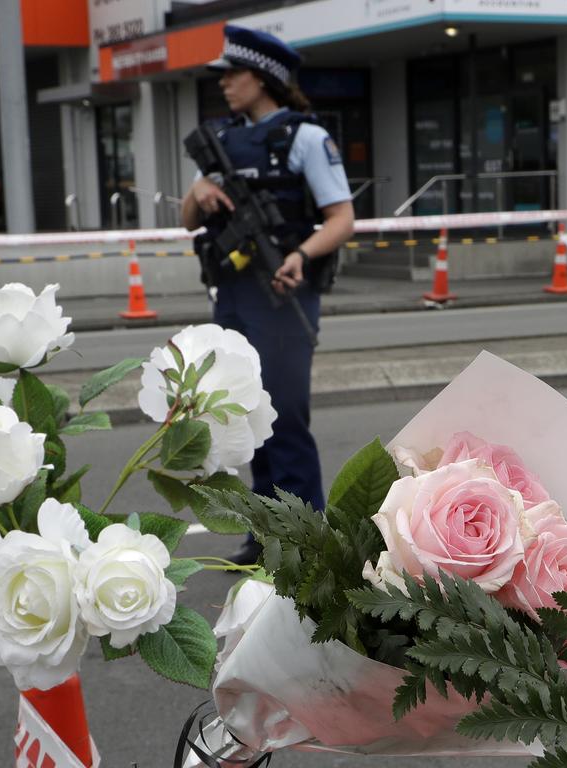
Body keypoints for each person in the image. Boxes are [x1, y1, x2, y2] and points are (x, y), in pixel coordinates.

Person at [180, 25, 355, 565]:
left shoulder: (304, 138)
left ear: (262, 79)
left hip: (282, 293)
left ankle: (307, 537)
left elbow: (343, 218)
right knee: (245, 416)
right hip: (232, 292)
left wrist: (301, 254)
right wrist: (198, 191)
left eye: (232, 74)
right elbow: (187, 221)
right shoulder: (222, 141)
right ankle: (264, 533)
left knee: (284, 417)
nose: (225, 84)